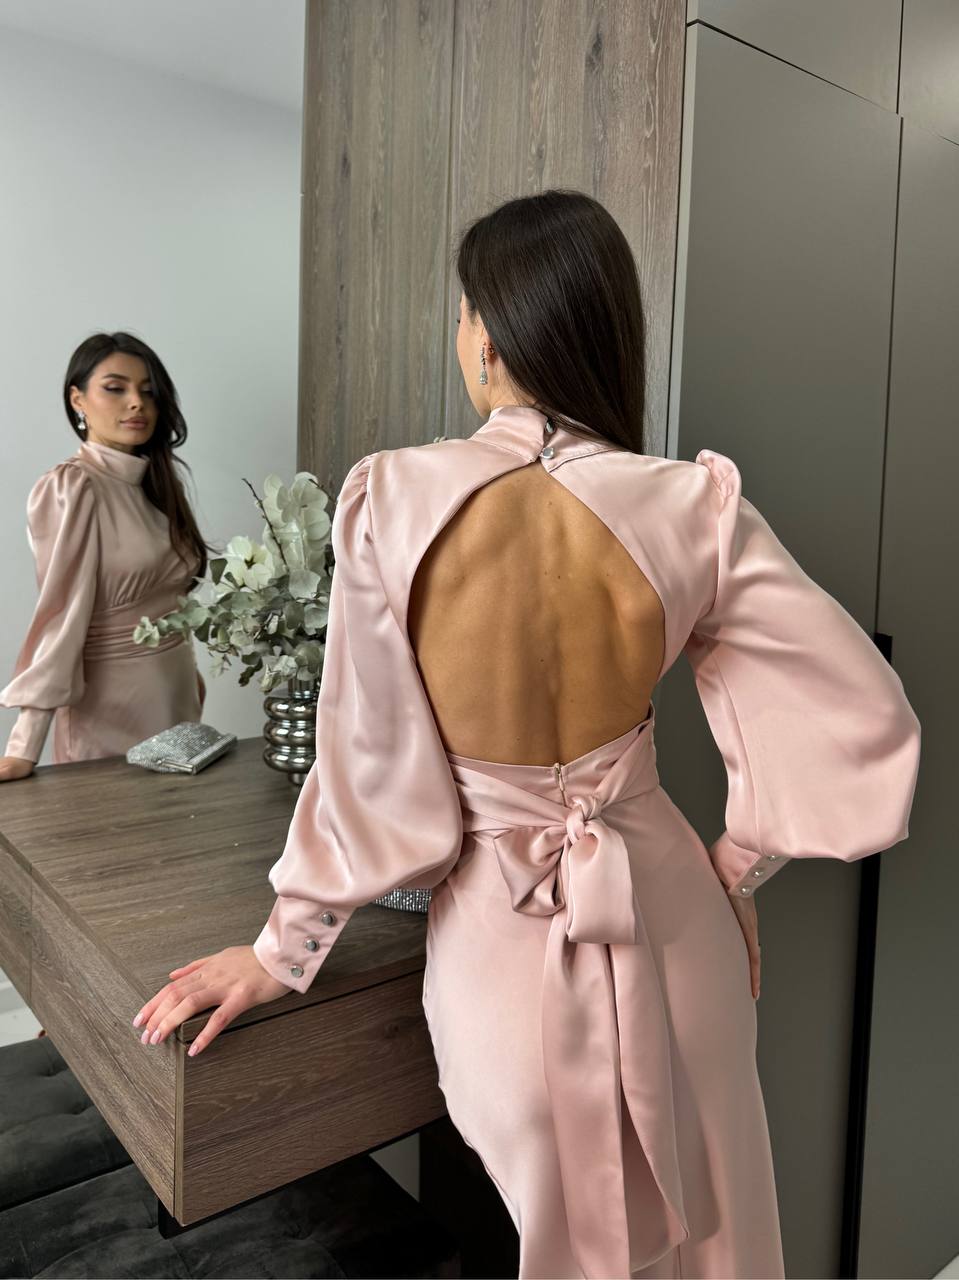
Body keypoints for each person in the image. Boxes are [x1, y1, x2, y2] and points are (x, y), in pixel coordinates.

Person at [131, 191, 921, 1280]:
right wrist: (734, 868)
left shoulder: (392, 500)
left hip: (502, 954)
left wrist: (281, 952)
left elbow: (367, 767)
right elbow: (853, 706)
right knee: (722, 1239)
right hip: (674, 925)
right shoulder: (691, 504)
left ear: (488, 336)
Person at [0, 332, 209, 782]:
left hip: (176, 698)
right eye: (115, 388)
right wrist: (25, 744)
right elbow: (60, 617)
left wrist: (192, 678)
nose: (136, 403)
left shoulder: (156, 485)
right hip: (108, 710)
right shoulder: (72, 488)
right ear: (78, 400)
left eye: (148, 391)